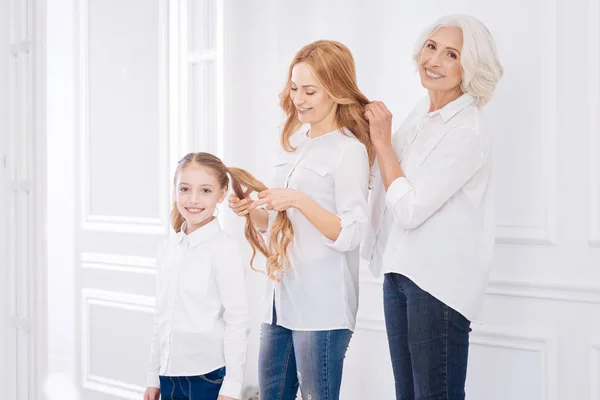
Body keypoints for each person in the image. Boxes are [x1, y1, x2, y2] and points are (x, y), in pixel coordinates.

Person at [363, 14, 503, 400]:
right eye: (431, 47)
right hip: (400, 270)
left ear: (469, 67)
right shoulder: (419, 117)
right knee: (407, 394)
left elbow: (410, 209)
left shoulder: (466, 130)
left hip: (437, 282)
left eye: (451, 54)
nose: (434, 60)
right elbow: (387, 187)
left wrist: (383, 143)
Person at [229, 40, 373, 400]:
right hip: (279, 301)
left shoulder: (349, 151)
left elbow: (353, 232)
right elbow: (272, 224)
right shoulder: (292, 145)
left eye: (310, 90)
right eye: (294, 88)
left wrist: (299, 200)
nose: (299, 98)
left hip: (322, 306)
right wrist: (254, 211)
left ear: (337, 91)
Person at [144, 152, 255, 400]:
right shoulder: (168, 248)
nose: (193, 199)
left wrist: (232, 387)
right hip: (169, 375)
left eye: (205, 190)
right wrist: (153, 376)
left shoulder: (224, 249)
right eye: (185, 189)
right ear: (174, 190)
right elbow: (162, 317)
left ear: (222, 194)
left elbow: (238, 321)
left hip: (207, 377)